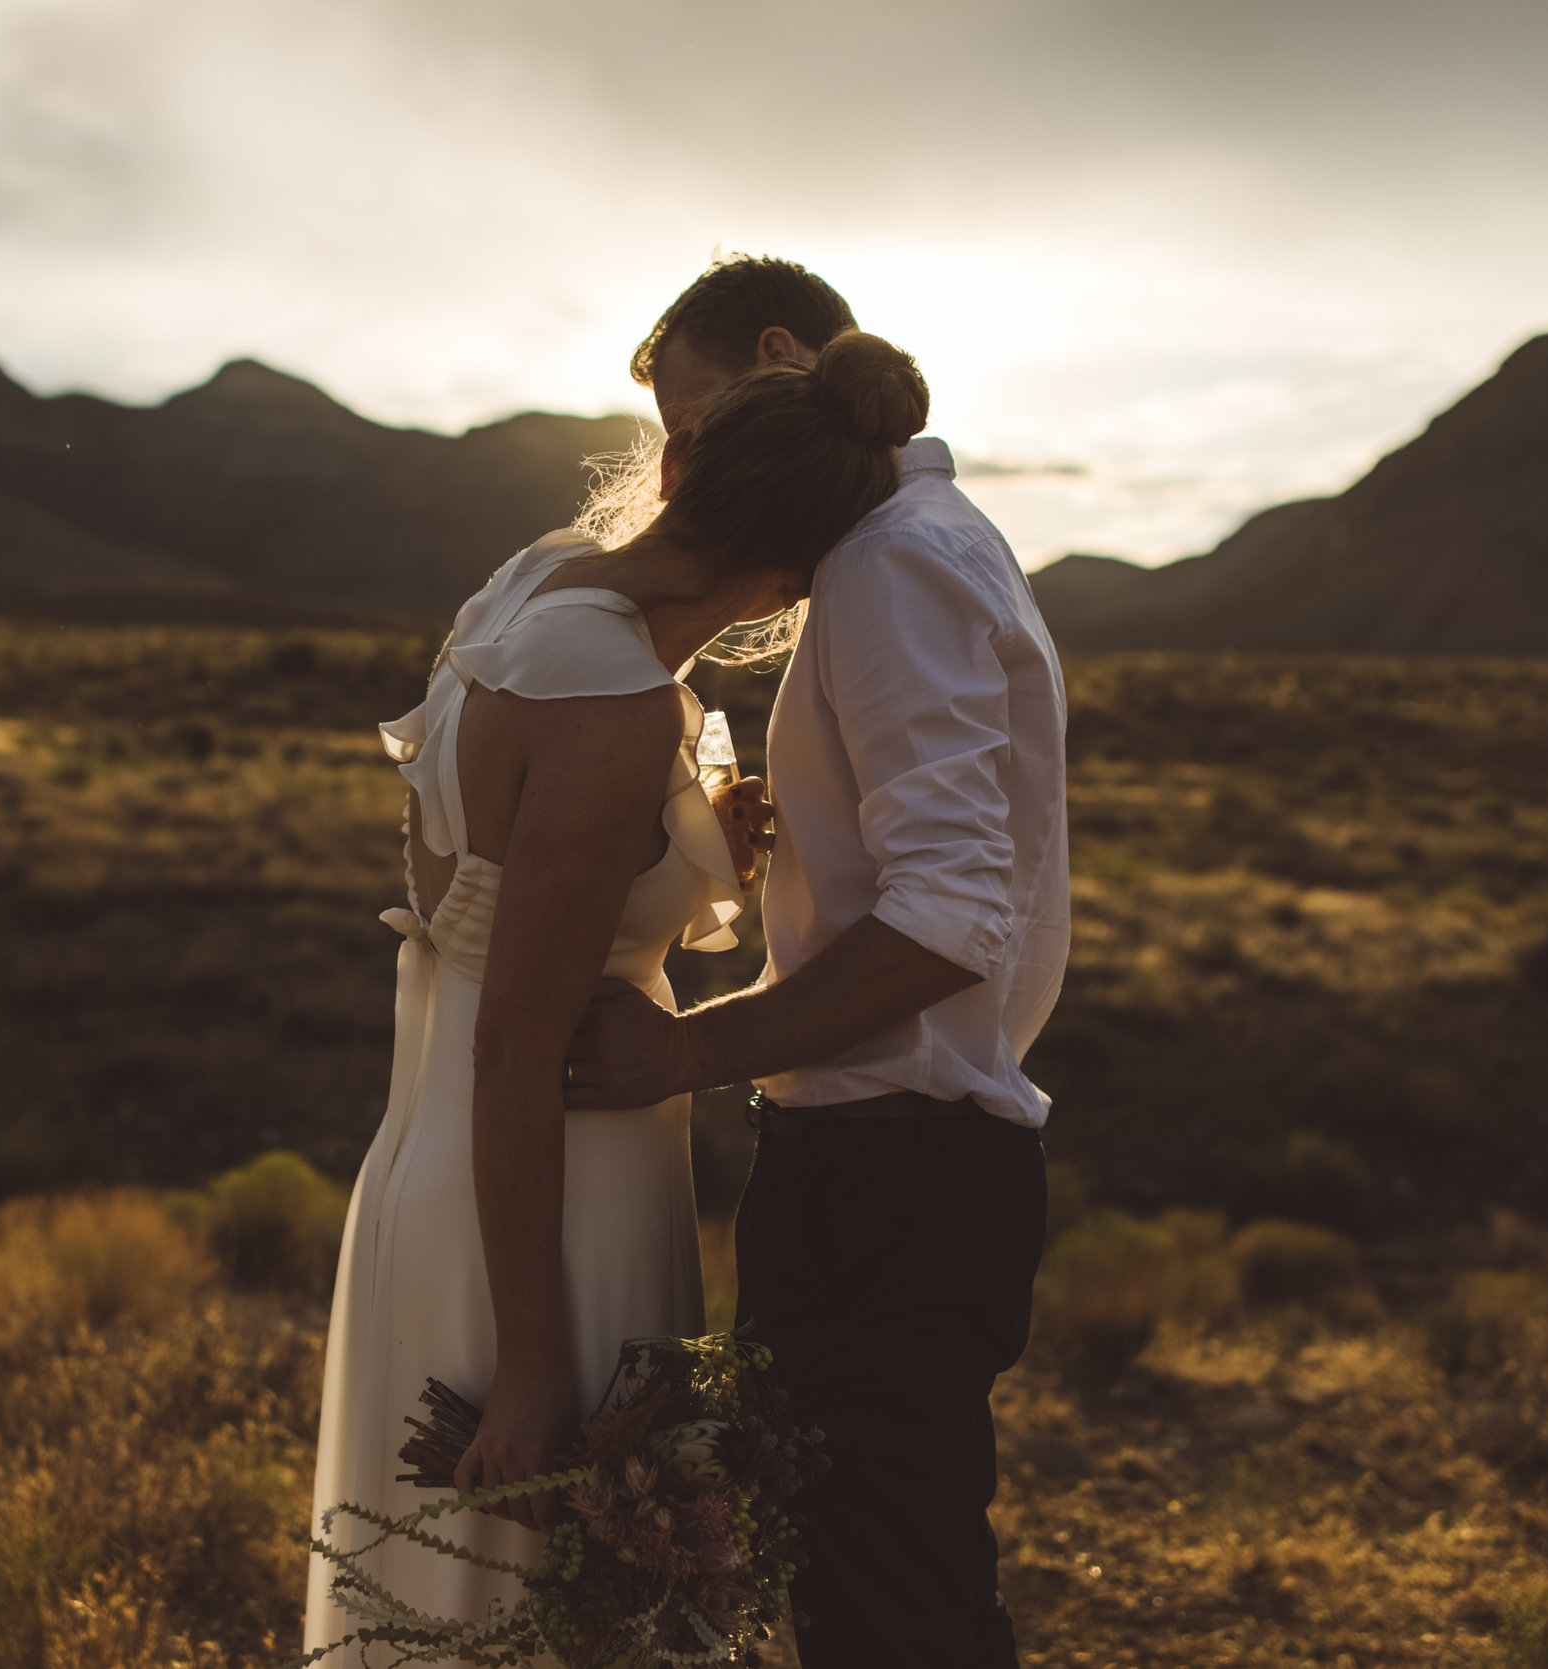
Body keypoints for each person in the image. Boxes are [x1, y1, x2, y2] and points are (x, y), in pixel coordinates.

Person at [302, 327, 935, 1655]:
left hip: (447, 1154)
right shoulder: (616, 701)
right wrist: (533, 1358)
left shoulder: (539, 584)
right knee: (541, 1613)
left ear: (686, 459)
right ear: (789, 581)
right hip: (540, 1198)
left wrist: (692, 836)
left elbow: (472, 879)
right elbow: (518, 1043)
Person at [564, 257, 1072, 1669]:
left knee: (888, 1608)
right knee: (865, 1585)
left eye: (691, 419)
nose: (682, 468)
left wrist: (688, 1048)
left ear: (778, 356)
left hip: (893, 1176)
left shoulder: (894, 558)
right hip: (895, 1164)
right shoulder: (916, 543)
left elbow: (954, 911)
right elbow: (925, 869)